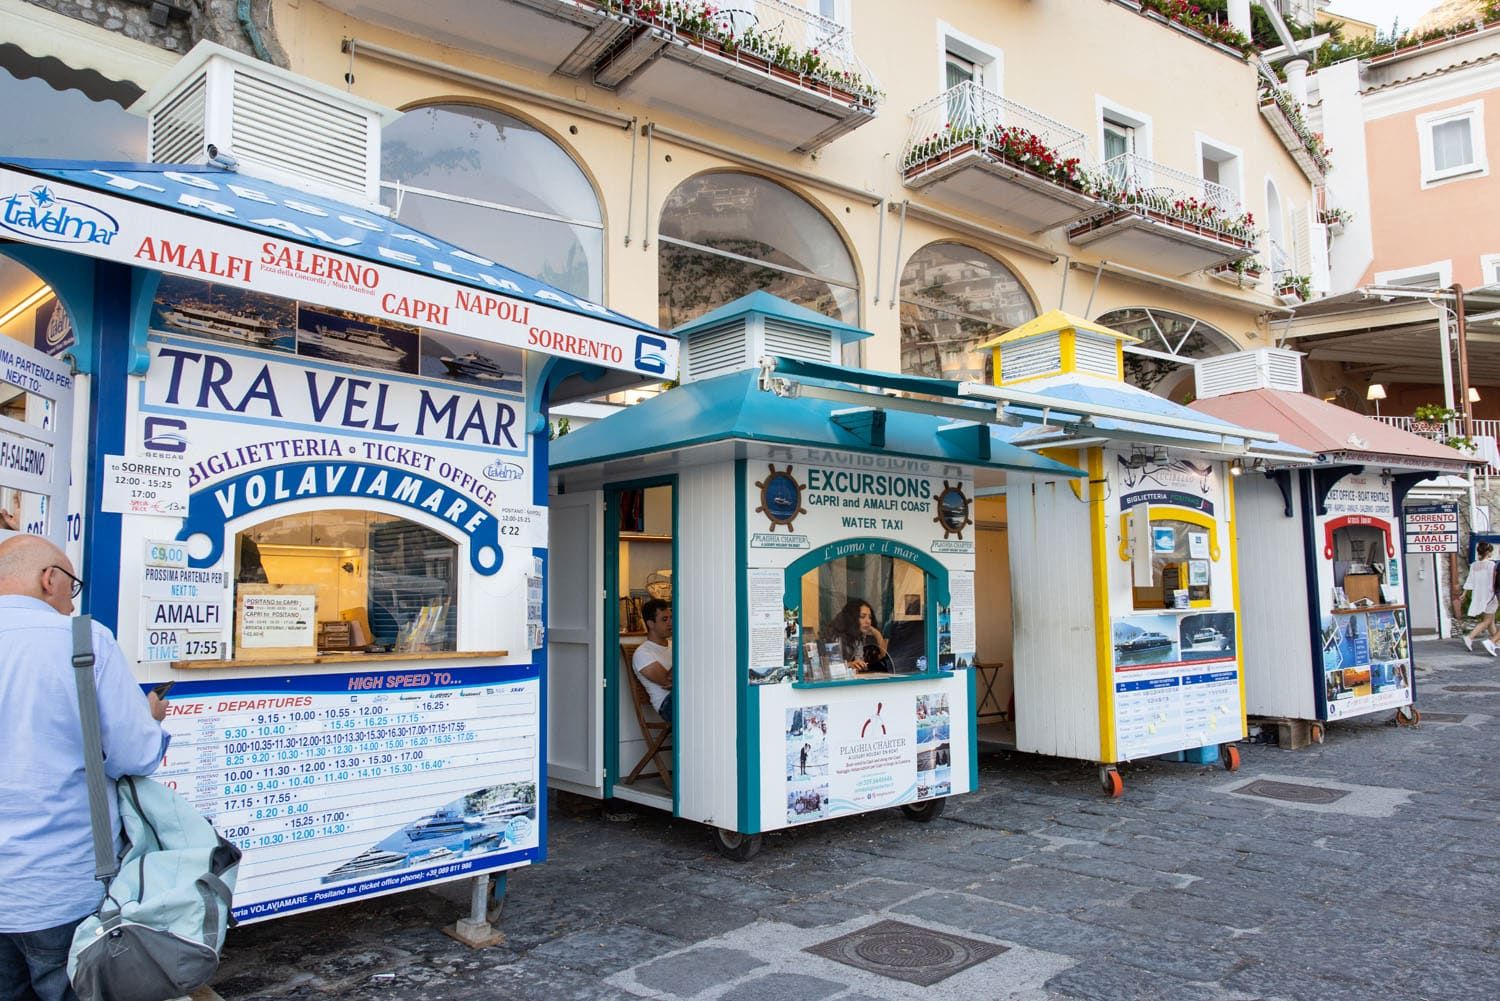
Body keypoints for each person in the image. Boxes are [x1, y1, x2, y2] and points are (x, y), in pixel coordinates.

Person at [0, 536, 170, 1001]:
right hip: (62, 885)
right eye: (70, 585)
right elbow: (136, 755)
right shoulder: (83, 642)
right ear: (49, 578)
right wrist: (149, 720)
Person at [632, 598, 673, 719]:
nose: (670, 623)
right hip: (667, 703)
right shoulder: (643, 653)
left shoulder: (674, 645)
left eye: (671, 617)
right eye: (664, 619)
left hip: (686, 694)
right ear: (651, 624)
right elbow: (668, 681)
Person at [825, 599, 889, 673]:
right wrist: (850, 665)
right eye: (862, 616)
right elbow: (831, 668)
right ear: (852, 618)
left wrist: (877, 634)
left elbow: (884, 657)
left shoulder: (857, 637)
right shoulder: (836, 636)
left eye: (870, 617)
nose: (868, 621)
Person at [1461, 542, 1498, 656]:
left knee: (1490, 619)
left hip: (1479, 595)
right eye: (1491, 551)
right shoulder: (1491, 565)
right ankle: (1470, 637)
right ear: (1488, 552)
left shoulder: (1474, 565)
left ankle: (1496, 641)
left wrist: (1464, 593)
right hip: (1490, 595)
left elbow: (1469, 581)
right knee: (1487, 620)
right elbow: (1494, 581)